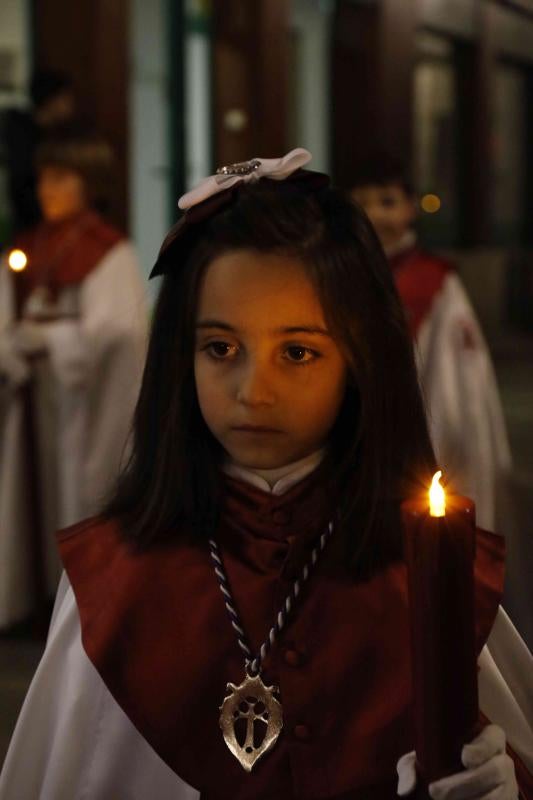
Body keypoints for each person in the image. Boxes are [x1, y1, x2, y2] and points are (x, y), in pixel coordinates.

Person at [0, 150, 531, 799]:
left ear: (360, 360)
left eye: (298, 352)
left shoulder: (426, 574)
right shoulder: (112, 582)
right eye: (221, 348)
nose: (253, 391)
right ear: (180, 356)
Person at [0, 129, 148, 629]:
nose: (48, 188)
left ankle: (75, 607)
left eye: (61, 176)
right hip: (29, 400)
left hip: (79, 407)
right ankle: (29, 599)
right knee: (26, 499)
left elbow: (120, 332)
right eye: (44, 176)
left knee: (74, 494)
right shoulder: (28, 246)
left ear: (90, 181)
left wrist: (51, 340)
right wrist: (12, 346)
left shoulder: (107, 251)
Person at [349, 153, 512, 534]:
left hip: (420, 438)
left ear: (411, 208)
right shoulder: (344, 273)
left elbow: (454, 386)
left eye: (387, 202)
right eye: (363, 203)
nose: (375, 214)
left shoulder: (435, 283)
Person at [3, 69, 77, 234]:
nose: (71, 105)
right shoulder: (23, 138)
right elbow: (21, 182)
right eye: (66, 98)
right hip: (32, 223)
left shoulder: (54, 135)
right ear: (51, 101)